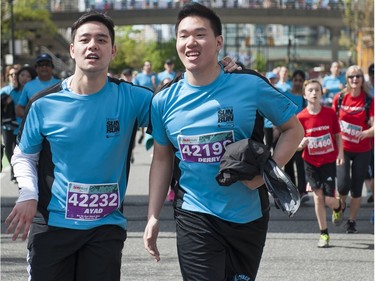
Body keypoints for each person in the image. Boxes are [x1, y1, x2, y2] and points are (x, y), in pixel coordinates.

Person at [143, 3, 304, 281]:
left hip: (248, 216)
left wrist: (267, 174)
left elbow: (294, 130)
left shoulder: (249, 85)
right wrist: (152, 216)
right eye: (183, 35)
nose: (190, 42)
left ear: (218, 42)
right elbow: (161, 158)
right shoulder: (162, 100)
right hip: (194, 213)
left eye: (199, 34)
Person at [5, 11, 153, 281]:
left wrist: (223, 72)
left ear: (113, 50)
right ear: (73, 50)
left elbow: (180, 106)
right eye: (84, 39)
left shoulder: (133, 98)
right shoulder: (43, 103)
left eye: (101, 40)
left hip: (105, 226)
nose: (92, 45)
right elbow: (24, 155)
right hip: (52, 224)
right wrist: (28, 193)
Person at [297, 79, 345, 248]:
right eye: (310, 90)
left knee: (329, 200)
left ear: (321, 93)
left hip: (328, 161)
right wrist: (300, 145)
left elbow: (338, 135)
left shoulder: (330, 113)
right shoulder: (300, 117)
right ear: (305, 95)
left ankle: (339, 206)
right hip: (310, 162)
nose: (314, 93)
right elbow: (295, 142)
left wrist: (340, 153)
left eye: (317, 90)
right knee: (318, 198)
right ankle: (324, 234)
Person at [332, 65, 374, 234]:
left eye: (357, 76)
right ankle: (340, 207)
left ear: (362, 79)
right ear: (347, 80)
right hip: (343, 149)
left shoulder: (369, 100)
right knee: (342, 186)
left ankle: (351, 221)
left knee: (357, 188)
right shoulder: (340, 98)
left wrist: (366, 133)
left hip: (363, 150)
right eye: (351, 77)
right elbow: (333, 123)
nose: (355, 79)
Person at [2, 66, 37, 183]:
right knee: (9, 151)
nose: (24, 78)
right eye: (22, 75)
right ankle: (15, 171)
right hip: (10, 126)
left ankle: (21, 174)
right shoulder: (10, 91)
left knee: (24, 152)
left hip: (27, 127)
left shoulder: (32, 90)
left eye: (28, 76)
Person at [281, 69, 309, 202]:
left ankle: (302, 191)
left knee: (300, 163)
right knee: (288, 164)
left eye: (300, 80)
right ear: (291, 81)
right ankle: (290, 190)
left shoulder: (304, 99)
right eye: (295, 80)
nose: (297, 83)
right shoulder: (285, 94)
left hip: (300, 135)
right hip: (286, 134)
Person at [15, 53, 61, 119]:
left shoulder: (60, 84)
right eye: (41, 65)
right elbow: (19, 108)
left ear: (52, 67)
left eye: (47, 64)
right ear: (36, 68)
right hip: (35, 128)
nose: (44, 67)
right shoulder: (28, 85)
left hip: (55, 125)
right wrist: (31, 118)